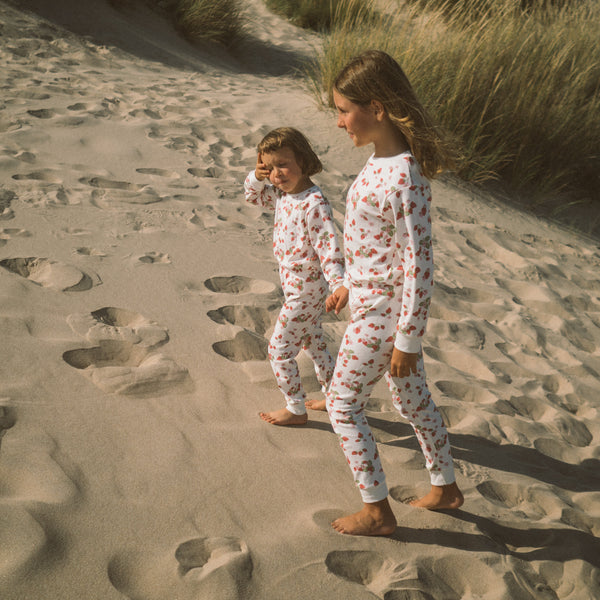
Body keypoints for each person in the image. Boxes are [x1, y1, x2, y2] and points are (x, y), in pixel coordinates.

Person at [323, 50, 464, 536]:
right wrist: (348, 282)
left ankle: (377, 511)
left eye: (344, 110)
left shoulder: (404, 174)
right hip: (369, 301)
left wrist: (408, 338)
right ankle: (445, 486)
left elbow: (419, 263)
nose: (340, 122)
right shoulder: (378, 161)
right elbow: (375, 243)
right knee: (410, 401)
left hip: (385, 315)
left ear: (377, 108)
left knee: (342, 405)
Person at [244, 127, 345, 426]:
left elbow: (329, 247)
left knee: (278, 349)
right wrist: (256, 175)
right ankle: (334, 397)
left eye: (283, 164)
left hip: (308, 291)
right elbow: (252, 197)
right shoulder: (281, 194)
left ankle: (295, 407)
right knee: (313, 343)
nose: (277, 174)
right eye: (270, 167)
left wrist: (338, 283)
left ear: (303, 160)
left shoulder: (313, 203)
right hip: (294, 288)